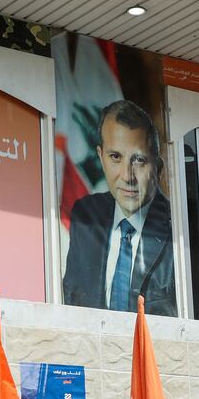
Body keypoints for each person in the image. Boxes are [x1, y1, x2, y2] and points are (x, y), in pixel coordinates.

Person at [62, 99, 176, 316]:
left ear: (158, 167)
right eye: (115, 157)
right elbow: (72, 298)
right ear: (100, 157)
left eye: (139, 160)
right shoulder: (85, 215)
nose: (127, 176)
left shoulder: (179, 228)